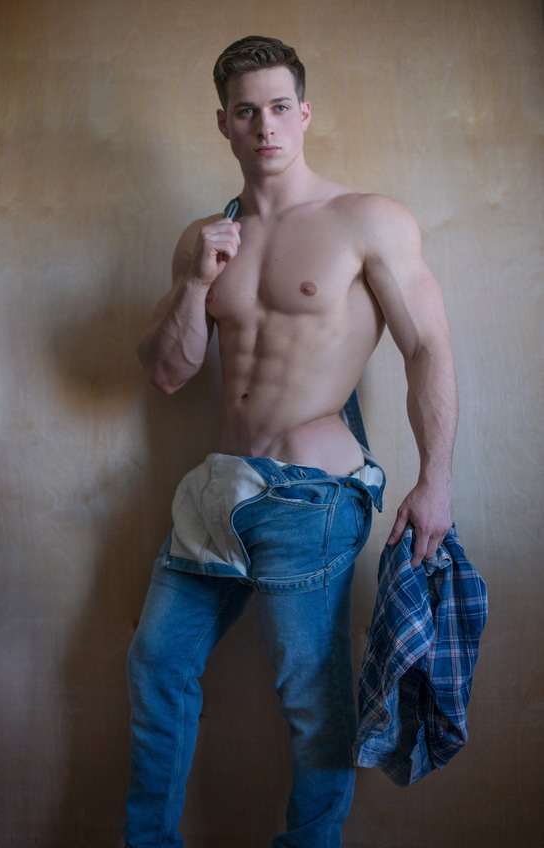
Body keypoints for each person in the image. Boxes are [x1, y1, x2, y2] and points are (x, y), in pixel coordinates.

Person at [123, 36, 458, 848]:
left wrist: (434, 480)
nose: (264, 126)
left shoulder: (365, 220)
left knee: (310, 698)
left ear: (303, 114)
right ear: (224, 124)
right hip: (215, 492)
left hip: (311, 496)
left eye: (278, 108)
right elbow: (166, 372)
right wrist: (195, 281)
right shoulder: (205, 238)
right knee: (156, 668)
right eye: (246, 112)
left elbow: (426, 348)